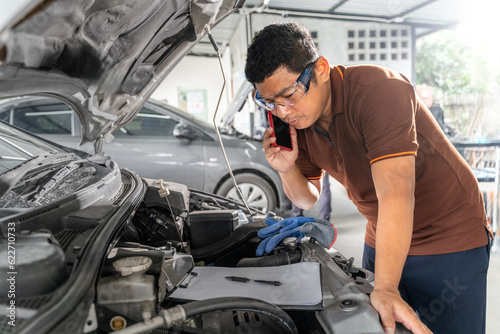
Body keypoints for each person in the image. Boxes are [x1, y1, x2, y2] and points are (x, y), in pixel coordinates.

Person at [244, 22, 492, 334]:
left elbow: (396, 193)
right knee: (380, 323)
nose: (281, 111)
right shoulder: (299, 120)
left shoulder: (380, 90)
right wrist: (286, 167)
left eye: (288, 95)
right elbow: (307, 197)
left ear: (320, 69)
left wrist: (386, 287)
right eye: (269, 102)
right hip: (383, 232)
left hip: (447, 234)